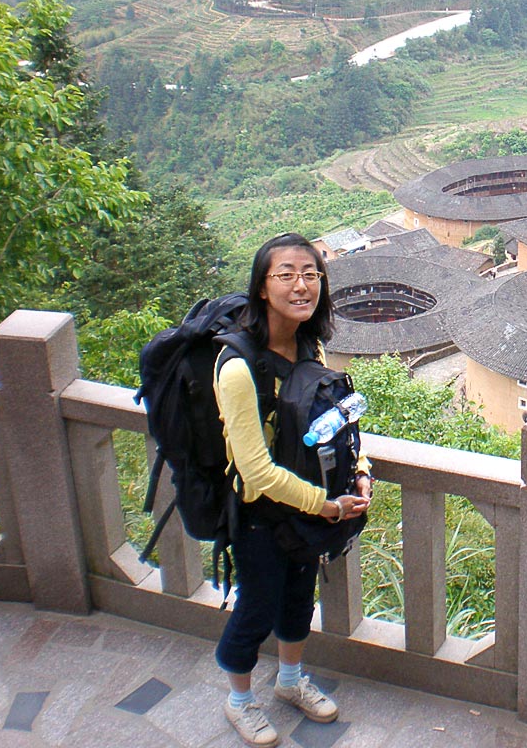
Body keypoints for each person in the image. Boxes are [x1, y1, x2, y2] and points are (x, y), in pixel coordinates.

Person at [214, 232, 374, 747]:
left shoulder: (311, 343)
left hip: (309, 506)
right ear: (262, 287)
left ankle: (288, 681)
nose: (300, 285)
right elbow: (255, 470)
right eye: (286, 275)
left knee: (298, 600)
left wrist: (361, 470)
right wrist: (325, 504)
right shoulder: (238, 366)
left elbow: (338, 422)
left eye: (310, 274)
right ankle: (239, 700)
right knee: (256, 608)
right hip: (262, 513)